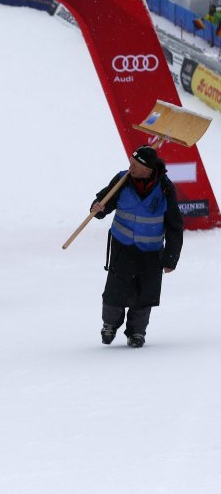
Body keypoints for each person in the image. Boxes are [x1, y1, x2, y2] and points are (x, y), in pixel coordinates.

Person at [90, 146, 183, 348]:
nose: (129, 167)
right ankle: (109, 325)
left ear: (147, 169)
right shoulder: (122, 181)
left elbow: (175, 225)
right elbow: (103, 204)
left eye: (134, 164)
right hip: (122, 246)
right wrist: (97, 207)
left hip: (151, 251)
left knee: (145, 294)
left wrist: (170, 258)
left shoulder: (165, 189)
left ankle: (137, 332)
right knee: (115, 290)